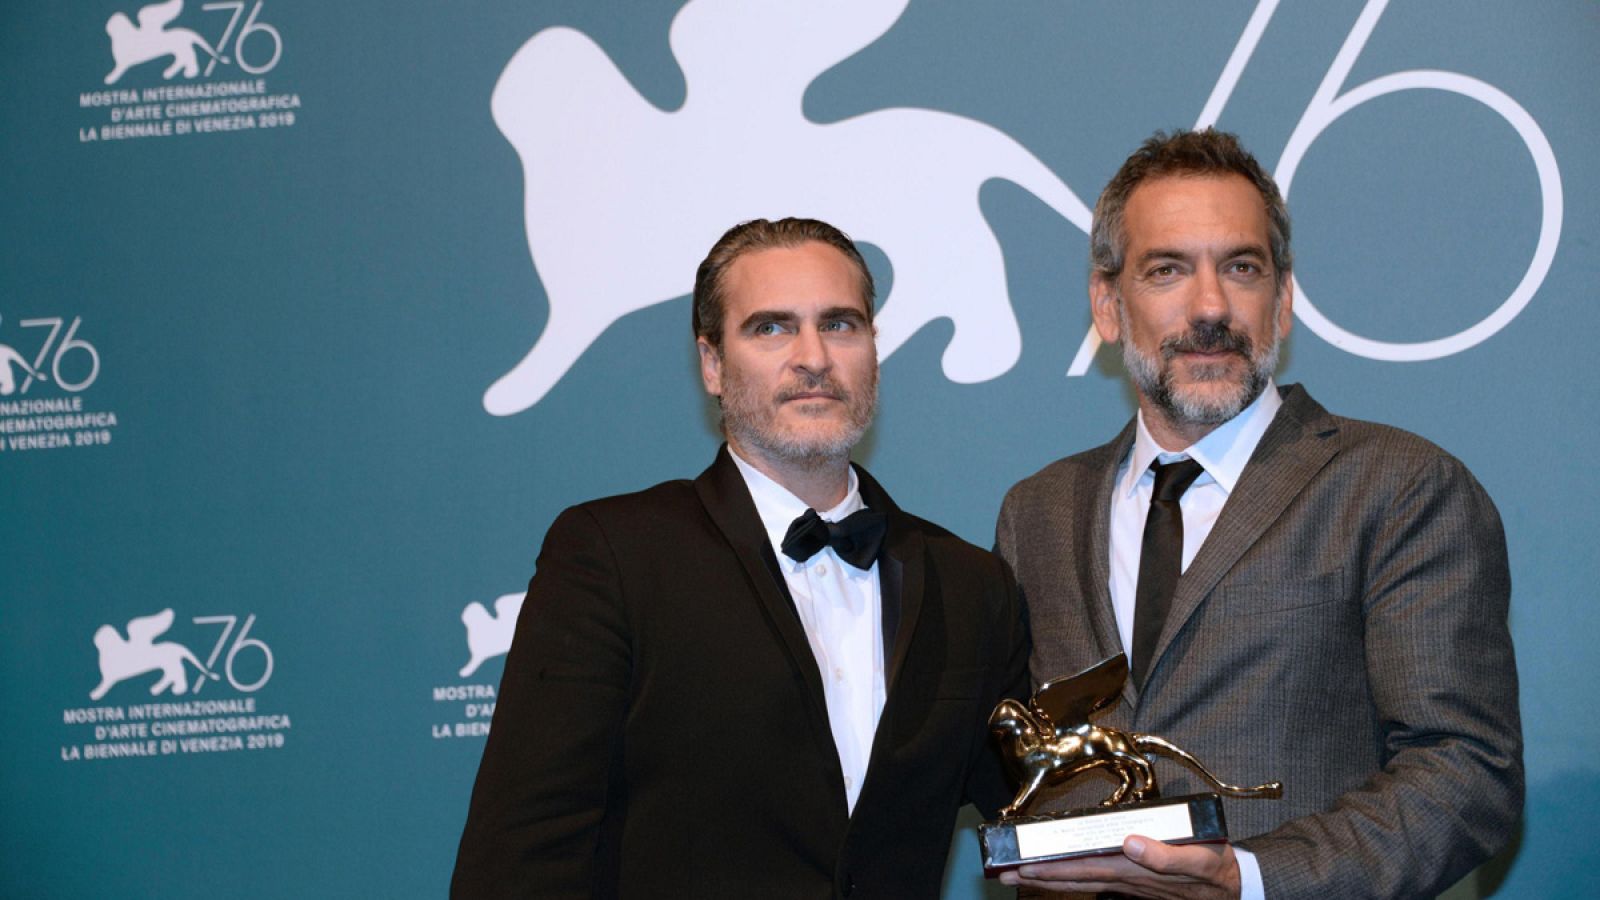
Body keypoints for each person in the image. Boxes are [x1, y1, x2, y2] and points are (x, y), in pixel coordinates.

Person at [994, 130, 1521, 899]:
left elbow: (1466, 770)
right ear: (1108, 308)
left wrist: (1253, 878)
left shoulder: (1400, 486)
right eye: (1167, 270)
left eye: (1241, 268)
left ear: (1283, 302)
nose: (1211, 307)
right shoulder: (1036, 511)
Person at [451, 217, 1029, 898]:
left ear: (874, 348)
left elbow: (1041, 817)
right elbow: (522, 856)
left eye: (840, 324)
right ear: (713, 365)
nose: (813, 356)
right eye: (771, 328)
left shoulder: (969, 584)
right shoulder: (613, 557)